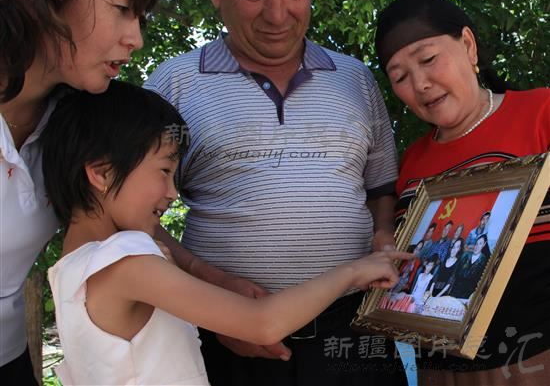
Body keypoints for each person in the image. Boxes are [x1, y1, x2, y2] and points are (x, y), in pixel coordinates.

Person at [145, 0, 404, 384]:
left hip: (354, 338)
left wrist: (383, 233)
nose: (278, 13)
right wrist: (211, 292)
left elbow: (380, 190)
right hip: (228, 344)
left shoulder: (355, 80)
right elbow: (130, 219)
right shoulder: (173, 86)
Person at [40, 80, 411, 386]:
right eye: (164, 171)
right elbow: (261, 323)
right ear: (101, 173)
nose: (172, 192)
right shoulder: (125, 260)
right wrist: (354, 270)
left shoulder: (71, 268)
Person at [0, 0, 162, 383]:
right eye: (122, 8)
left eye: (140, 17)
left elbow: (123, 211)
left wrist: (217, 280)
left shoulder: (76, 121)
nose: (135, 39)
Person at [375, 0, 550, 384]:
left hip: (534, 362)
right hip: (437, 371)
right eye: (400, 77)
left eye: (428, 59)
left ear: (468, 45)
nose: (420, 83)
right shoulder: (411, 163)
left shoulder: (541, 113)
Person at [449, 235, 489, 300]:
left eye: (480, 244)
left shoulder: (484, 261)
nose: (477, 246)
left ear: (484, 244)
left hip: (468, 296)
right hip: (455, 291)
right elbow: (455, 272)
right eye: (476, 243)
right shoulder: (465, 255)